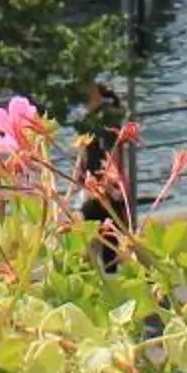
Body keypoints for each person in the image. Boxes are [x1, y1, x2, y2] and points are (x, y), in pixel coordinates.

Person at [71, 80, 129, 271]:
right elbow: (84, 153)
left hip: (101, 187)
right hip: (95, 186)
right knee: (107, 241)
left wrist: (112, 184)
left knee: (100, 240)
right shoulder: (90, 118)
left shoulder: (103, 118)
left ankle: (98, 273)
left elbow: (112, 153)